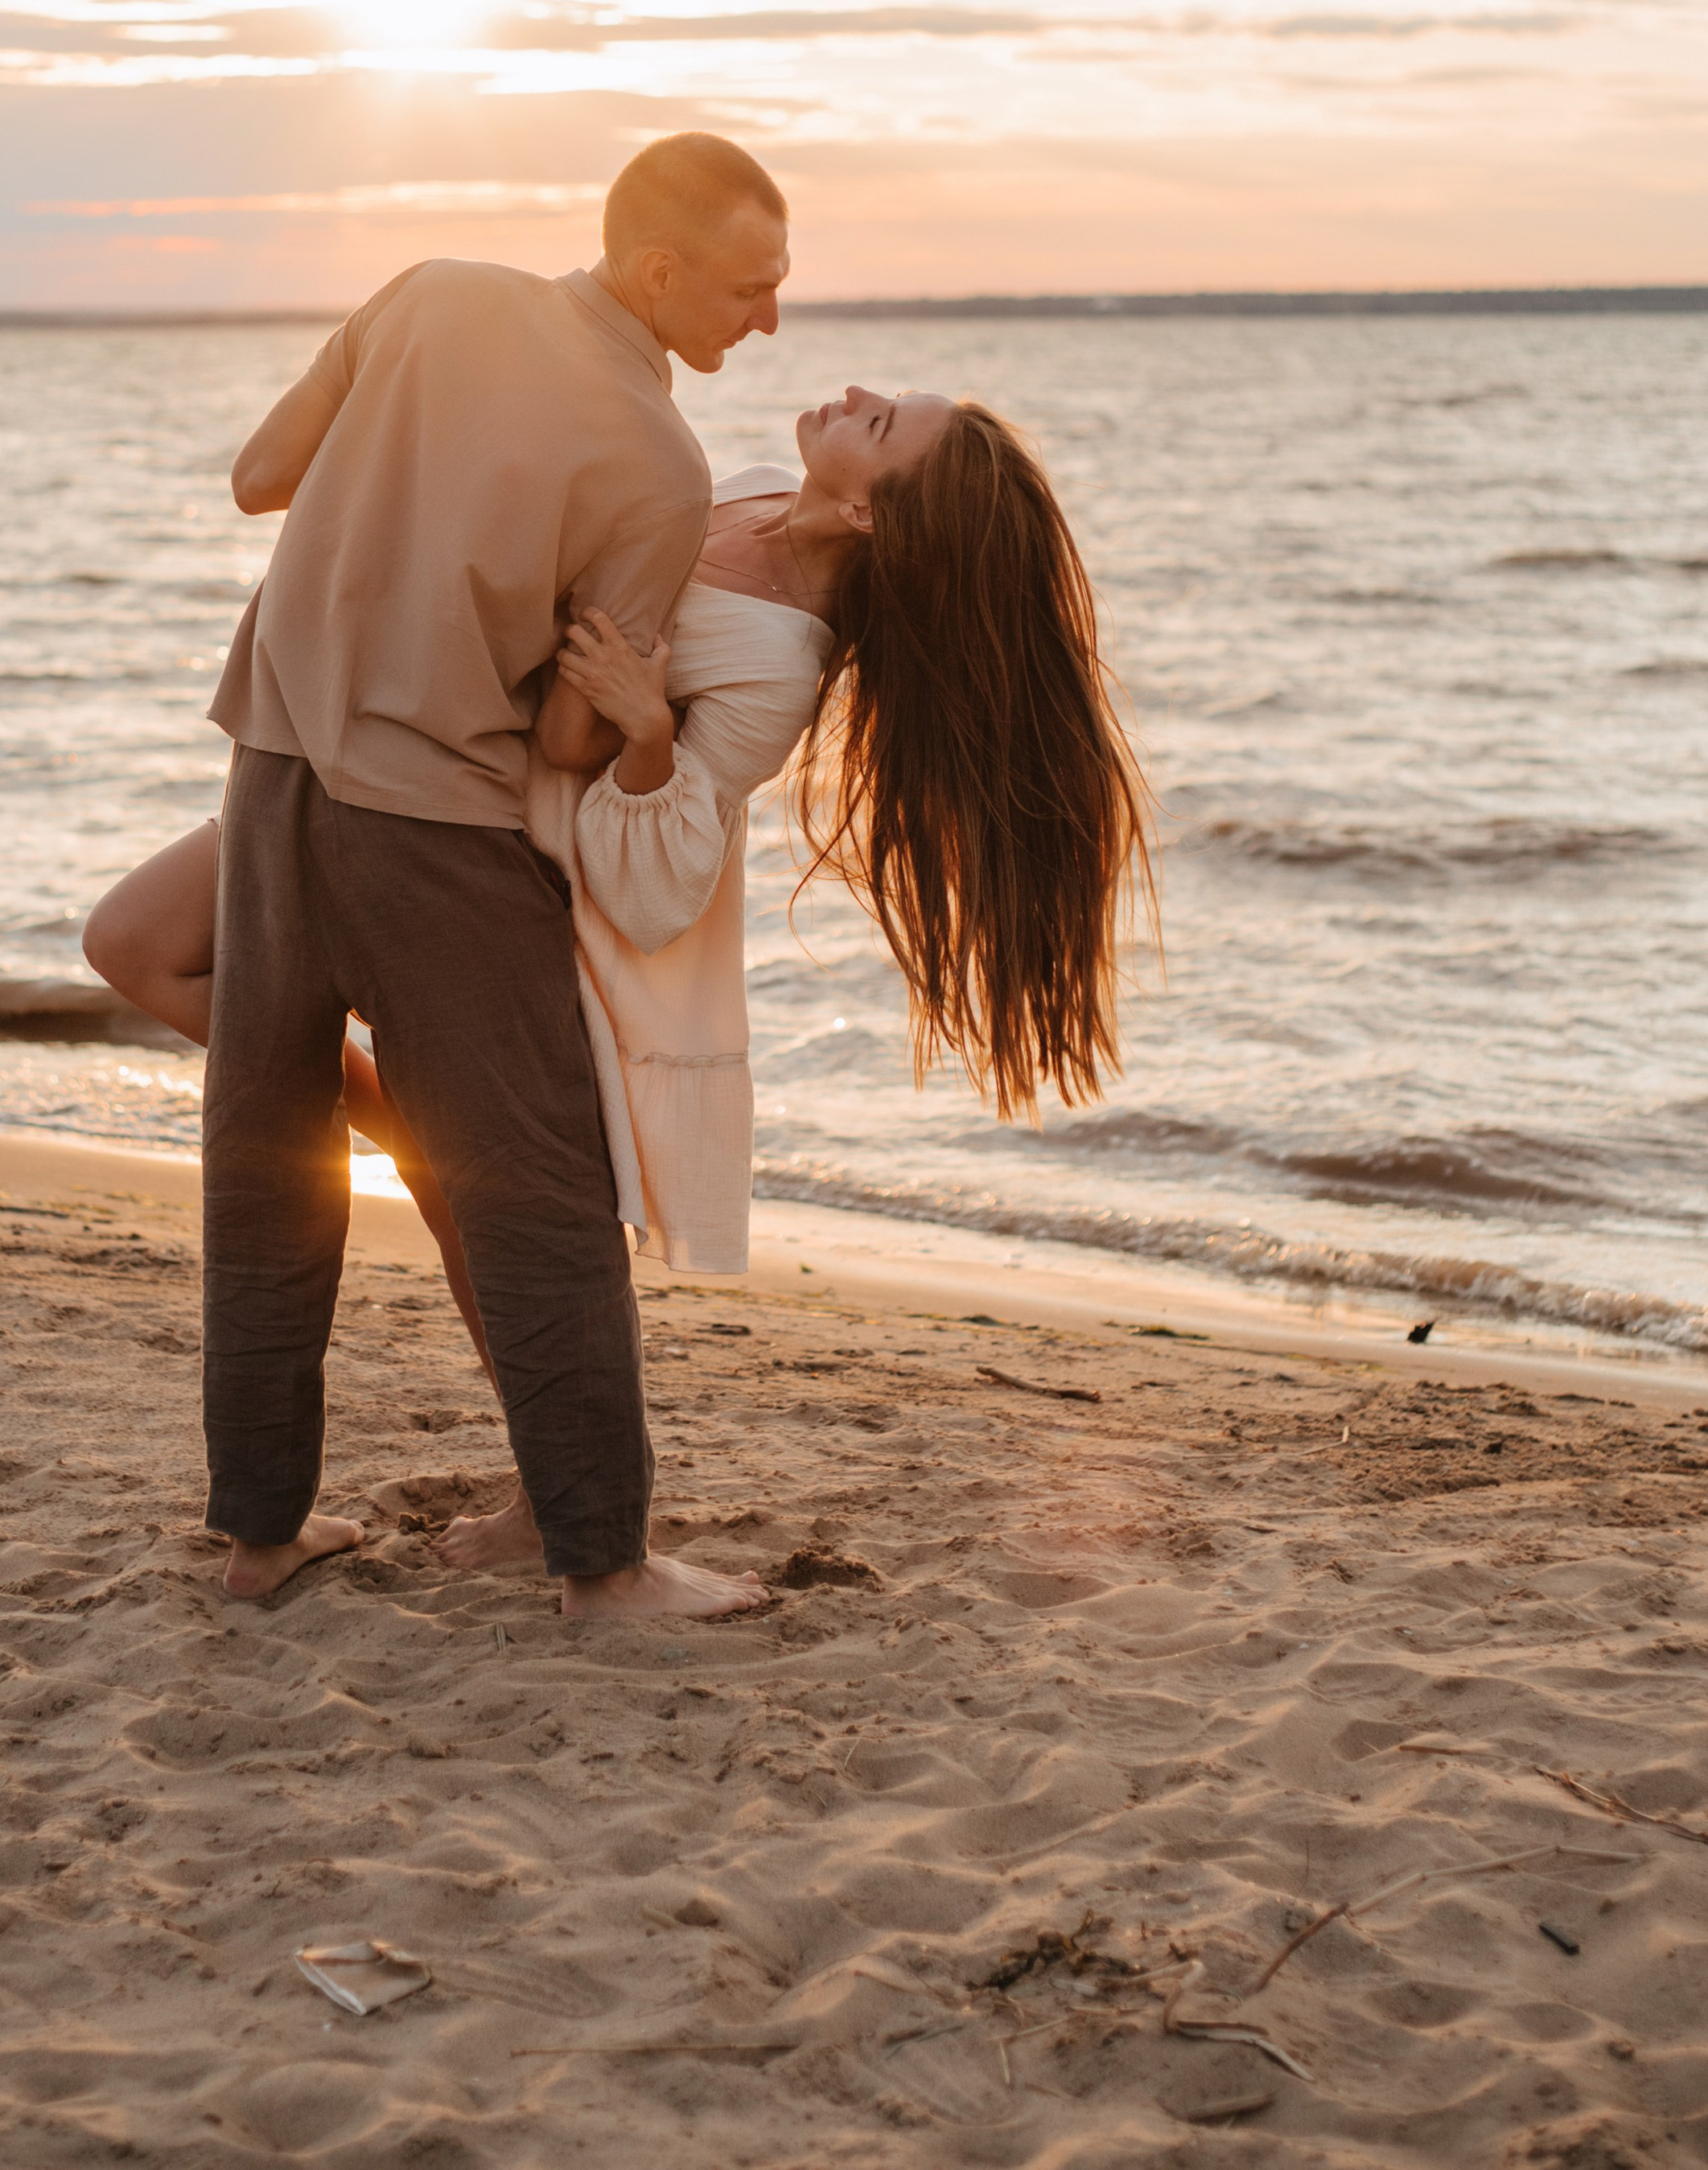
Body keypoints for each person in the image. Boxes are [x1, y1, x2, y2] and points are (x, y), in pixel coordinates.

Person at [91, 341, 1151, 1570]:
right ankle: (384, 1120)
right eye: (879, 396)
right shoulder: (740, 483)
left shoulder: (779, 664)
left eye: (881, 422)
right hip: (390, 752)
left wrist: (647, 740)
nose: (854, 394)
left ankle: (551, 1506)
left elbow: (652, 882)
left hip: (482, 843)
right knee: (136, 942)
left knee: (488, 1215)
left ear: (868, 507)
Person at [160, 132, 791, 1621]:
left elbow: (260, 480)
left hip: (269, 785)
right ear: (659, 273)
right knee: (537, 1192)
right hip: (432, 830)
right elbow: (571, 730)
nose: (768, 320)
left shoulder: (428, 293)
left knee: (259, 1161)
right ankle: (607, 1569)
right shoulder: (662, 464)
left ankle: (260, 1542)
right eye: (753, 288)